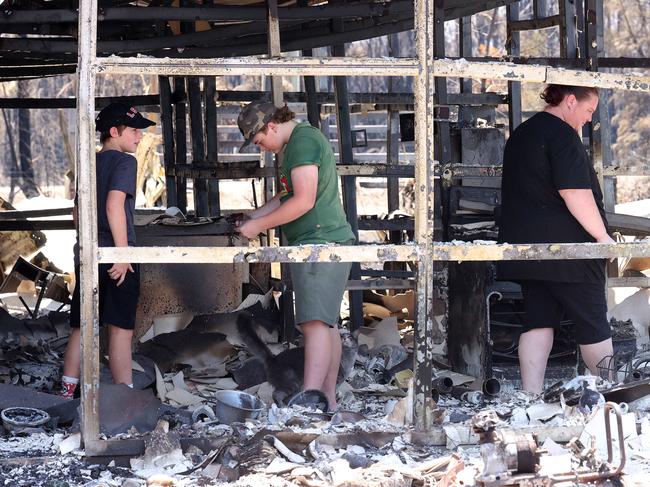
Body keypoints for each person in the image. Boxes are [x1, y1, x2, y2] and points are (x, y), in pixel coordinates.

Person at [235, 100, 355, 411]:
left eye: (260, 141)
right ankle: (326, 399)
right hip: (324, 240)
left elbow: (303, 201)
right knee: (326, 325)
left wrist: (257, 226)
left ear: (271, 126)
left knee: (314, 324)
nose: (262, 148)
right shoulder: (297, 144)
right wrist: (252, 219)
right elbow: (285, 197)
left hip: (319, 241)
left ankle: (309, 402)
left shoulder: (302, 143)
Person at [497, 84, 614, 395]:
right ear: (571, 100)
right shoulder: (563, 136)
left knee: (538, 321)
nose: (589, 119)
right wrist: (603, 237)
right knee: (593, 323)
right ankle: (613, 393)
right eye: (589, 111)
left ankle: (529, 396)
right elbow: (574, 192)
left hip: (529, 250)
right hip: (570, 251)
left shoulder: (522, 133)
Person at [60, 103, 155, 398]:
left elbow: (77, 213)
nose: (140, 137)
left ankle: (66, 390)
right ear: (114, 132)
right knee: (120, 328)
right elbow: (114, 204)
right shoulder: (125, 162)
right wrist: (122, 254)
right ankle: (124, 396)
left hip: (88, 254)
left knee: (81, 326)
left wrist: (89, 245)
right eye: (135, 130)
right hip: (116, 257)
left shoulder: (89, 162)